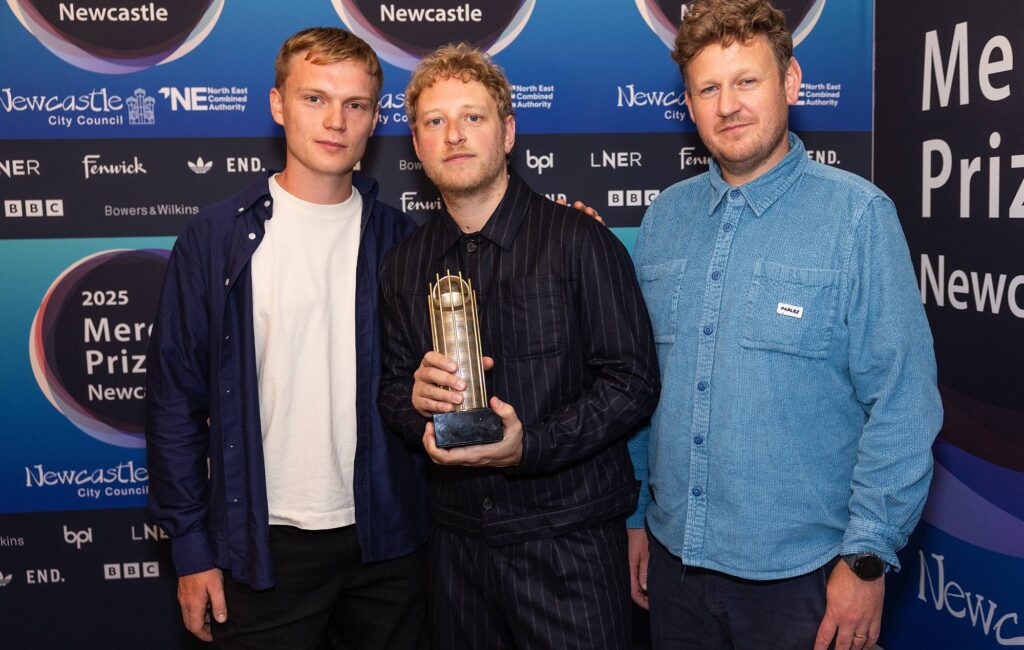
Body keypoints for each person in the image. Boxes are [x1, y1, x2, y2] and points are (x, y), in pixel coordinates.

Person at [631, 1, 943, 649]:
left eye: (747, 81)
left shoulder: (857, 217)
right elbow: (640, 389)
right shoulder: (663, 220)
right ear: (688, 105)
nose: (728, 105)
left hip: (807, 582)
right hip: (673, 565)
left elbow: (903, 404)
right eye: (708, 89)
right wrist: (635, 516)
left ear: (791, 82)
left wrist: (866, 559)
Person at [145, 28, 429, 648]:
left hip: (389, 542)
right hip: (261, 546)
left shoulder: (404, 241)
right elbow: (174, 403)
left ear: (375, 118)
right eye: (314, 98)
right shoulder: (215, 238)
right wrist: (190, 548)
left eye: (355, 104)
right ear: (278, 105)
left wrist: (564, 234)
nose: (335, 121)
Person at [377, 43, 661, 649]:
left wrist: (530, 445)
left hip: (569, 548)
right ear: (417, 144)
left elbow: (633, 381)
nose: (454, 134)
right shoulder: (403, 264)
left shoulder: (580, 241)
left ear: (507, 132)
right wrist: (416, 406)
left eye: (472, 117)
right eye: (435, 121)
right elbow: (393, 390)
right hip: (456, 553)